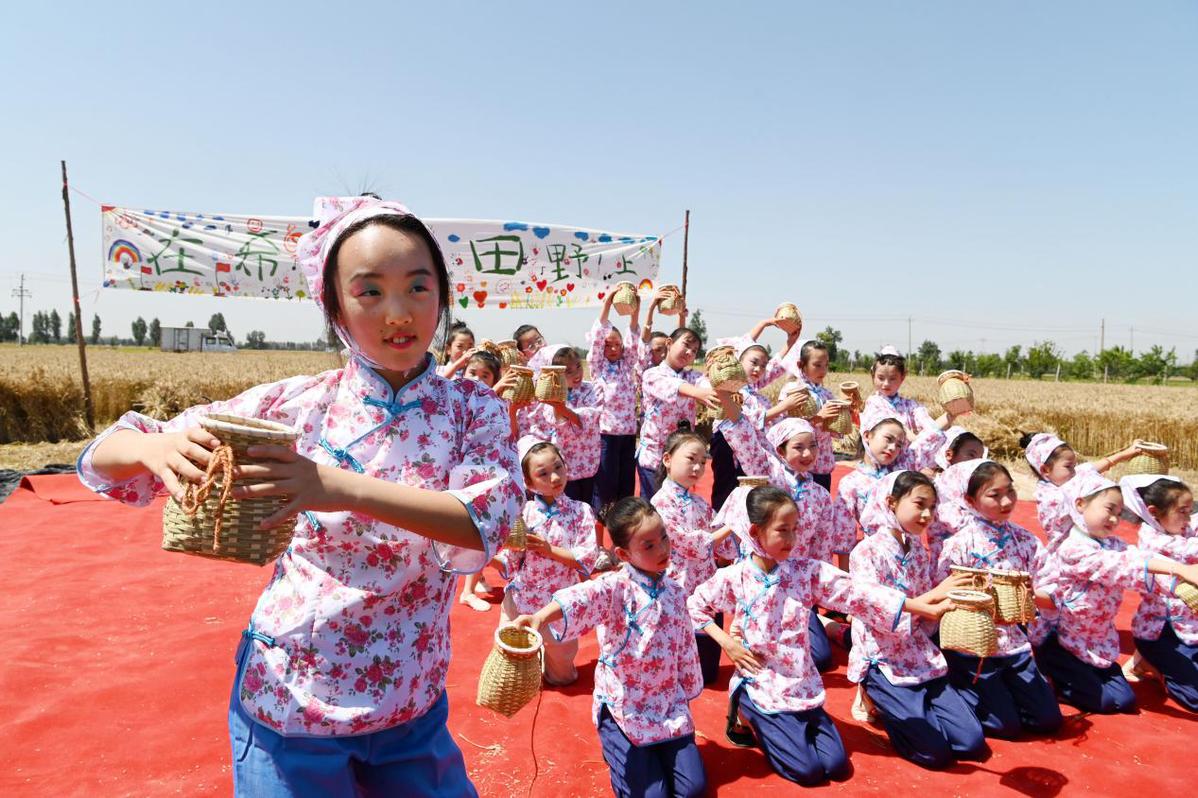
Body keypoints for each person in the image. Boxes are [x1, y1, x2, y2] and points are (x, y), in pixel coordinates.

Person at [75, 197, 524, 796]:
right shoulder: (299, 403)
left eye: (419, 287)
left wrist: (333, 486)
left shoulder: (475, 409)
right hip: (293, 699)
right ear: (334, 304)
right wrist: (154, 449)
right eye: (369, 292)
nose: (399, 311)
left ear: (442, 296)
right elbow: (102, 455)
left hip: (412, 702)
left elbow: (481, 522)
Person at [687, 486, 950, 786]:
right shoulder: (734, 578)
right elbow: (695, 607)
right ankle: (744, 708)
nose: (792, 539)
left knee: (836, 766)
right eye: (782, 530)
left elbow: (858, 593)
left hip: (802, 682)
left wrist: (920, 606)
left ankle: (784, 726)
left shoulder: (806, 571)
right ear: (755, 531)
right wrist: (728, 643)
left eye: (795, 529)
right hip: (761, 680)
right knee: (808, 772)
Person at [511, 497, 707, 798]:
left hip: (667, 703)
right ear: (623, 553)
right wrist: (539, 616)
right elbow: (580, 596)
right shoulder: (616, 587)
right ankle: (614, 742)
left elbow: (685, 646)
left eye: (664, 538)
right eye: (649, 545)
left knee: (692, 790)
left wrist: (687, 687)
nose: (663, 549)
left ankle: (652, 754)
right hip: (624, 704)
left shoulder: (676, 591)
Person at [850, 471, 988, 769]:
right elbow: (880, 612)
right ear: (891, 502)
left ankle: (913, 705)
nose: (927, 514)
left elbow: (928, 609)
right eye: (919, 504)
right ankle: (872, 692)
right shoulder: (866, 552)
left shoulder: (918, 552)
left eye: (932, 507)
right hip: (883, 657)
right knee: (933, 754)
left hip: (918, 653)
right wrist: (938, 594)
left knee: (971, 742)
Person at [1034, 471, 1198, 714]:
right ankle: (1050, 668)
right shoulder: (1073, 549)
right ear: (1080, 504)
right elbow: (1122, 566)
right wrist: (1179, 569)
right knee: (1105, 702)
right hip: (1064, 639)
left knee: (1124, 700)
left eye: (1119, 514)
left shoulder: (1113, 543)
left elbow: (1137, 557)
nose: (1113, 519)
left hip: (1096, 639)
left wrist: (1179, 582)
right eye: (1109, 509)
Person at [935, 460, 1062, 738]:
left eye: (1010, 491)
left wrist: (1027, 595)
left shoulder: (1027, 541)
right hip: (973, 645)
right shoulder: (958, 544)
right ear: (970, 500)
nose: (1006, 501)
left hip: (1014, 642)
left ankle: (1006, 691)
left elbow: (1053, 591)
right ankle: (959, 685)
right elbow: (944, 595)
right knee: (1006, 726)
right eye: (994, 494)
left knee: (1048, 721)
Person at [495, 438, 598, 684]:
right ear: (529, 483)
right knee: (509, 672)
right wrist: (487, 556)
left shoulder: (580, 511)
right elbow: (510, 560)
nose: (554, 477)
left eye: (558, 467)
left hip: (558, 605)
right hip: (522, 598)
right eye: (543, 473)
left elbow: (587, 558)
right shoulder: (523, 513)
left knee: (562, 678)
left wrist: (549, 550)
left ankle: (550, 662)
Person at [650, 429, 734, 685]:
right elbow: (687, 543)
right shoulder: (661, 502)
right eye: (691, 459)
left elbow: (723, 547)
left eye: (702, 462)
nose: (697, 467)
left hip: (706, 585)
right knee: (679, 663)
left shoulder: (699, 503)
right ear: (667, 459)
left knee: (707, 672)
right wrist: (731, 526)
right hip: (677, 585)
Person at [1124, 475, 1198, 711]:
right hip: (1163, 634)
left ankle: (1144, 661)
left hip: (1189, 628)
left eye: (1190, 510)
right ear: (1154, 512)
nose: (1188, 517)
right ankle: (1153, 664)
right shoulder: (1154, 542)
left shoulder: (1178, 527)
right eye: (1183, 511)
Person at [834, 404, 955, 546]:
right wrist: (843, 568)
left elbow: (930, 436)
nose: (892, 448)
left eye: (899, 445)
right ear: (867, 435)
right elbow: (843, 532)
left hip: (912, 551)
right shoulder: (851, 482)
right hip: (876, 553)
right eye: (888, 439)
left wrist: (951, 415)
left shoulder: (903, 468)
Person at [1021, 431, 1144, 551]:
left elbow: (1095, 466)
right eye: (1069, 466)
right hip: (1072, 551)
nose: (1075, 471)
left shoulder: (1064, 476)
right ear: (1045, 470)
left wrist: (1127, 453)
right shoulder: (1052, 497)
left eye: (1074, 466)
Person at [637, 327, 718, 498]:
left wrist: (718, 377)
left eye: (694, 351)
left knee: (677, 509)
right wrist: (699, 393)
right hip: (654, 458)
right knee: (653, 511)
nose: (689, 352)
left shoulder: (694, 377)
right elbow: (676, 387)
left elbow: (707, 386)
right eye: (686, 345)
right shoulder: (652, 374)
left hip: (681, 461)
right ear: (669, 343)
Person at [521, 344, 602, 508]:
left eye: (578, 366)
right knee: (566, 504)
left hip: (588, 459)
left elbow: (590, 416)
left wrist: (561, 407)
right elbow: (554, 419)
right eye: (568, 371)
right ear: (555, 375)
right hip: (564, 461)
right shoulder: (551, 395)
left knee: (587, 504)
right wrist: (560, 407)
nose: (577, 373)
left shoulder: (592, 388)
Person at [587, 290, 644, 516]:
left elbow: (634, 336)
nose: (612, 349)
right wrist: (608, 302)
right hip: (606, 435)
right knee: (606, 484)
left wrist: (635, 311)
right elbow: (599, 332)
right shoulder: (598, 366)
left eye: (616, 345)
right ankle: (601, 529)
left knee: (625, 484)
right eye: (607, 345)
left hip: (628, 434)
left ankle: (623, 524)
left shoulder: (626, 365)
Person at [782, 340, 846, 492]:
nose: (823, 370)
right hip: (800, 463)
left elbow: (836, 432)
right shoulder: (792, 391)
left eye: (826, 365)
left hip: (822, 463)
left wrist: (845, 418)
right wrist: (817, 418)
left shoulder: (827, 394)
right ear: (801, 365)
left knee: (821, 507)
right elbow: (786, 429)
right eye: (817, 365)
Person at [862, 347, 937, 436]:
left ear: (902, 377)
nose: (886, 384)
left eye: (892, 378)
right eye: (881, 378)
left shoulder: (911, 406)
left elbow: (927, 423)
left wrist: (949, 416)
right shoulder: (873, 402)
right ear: (873, 376)